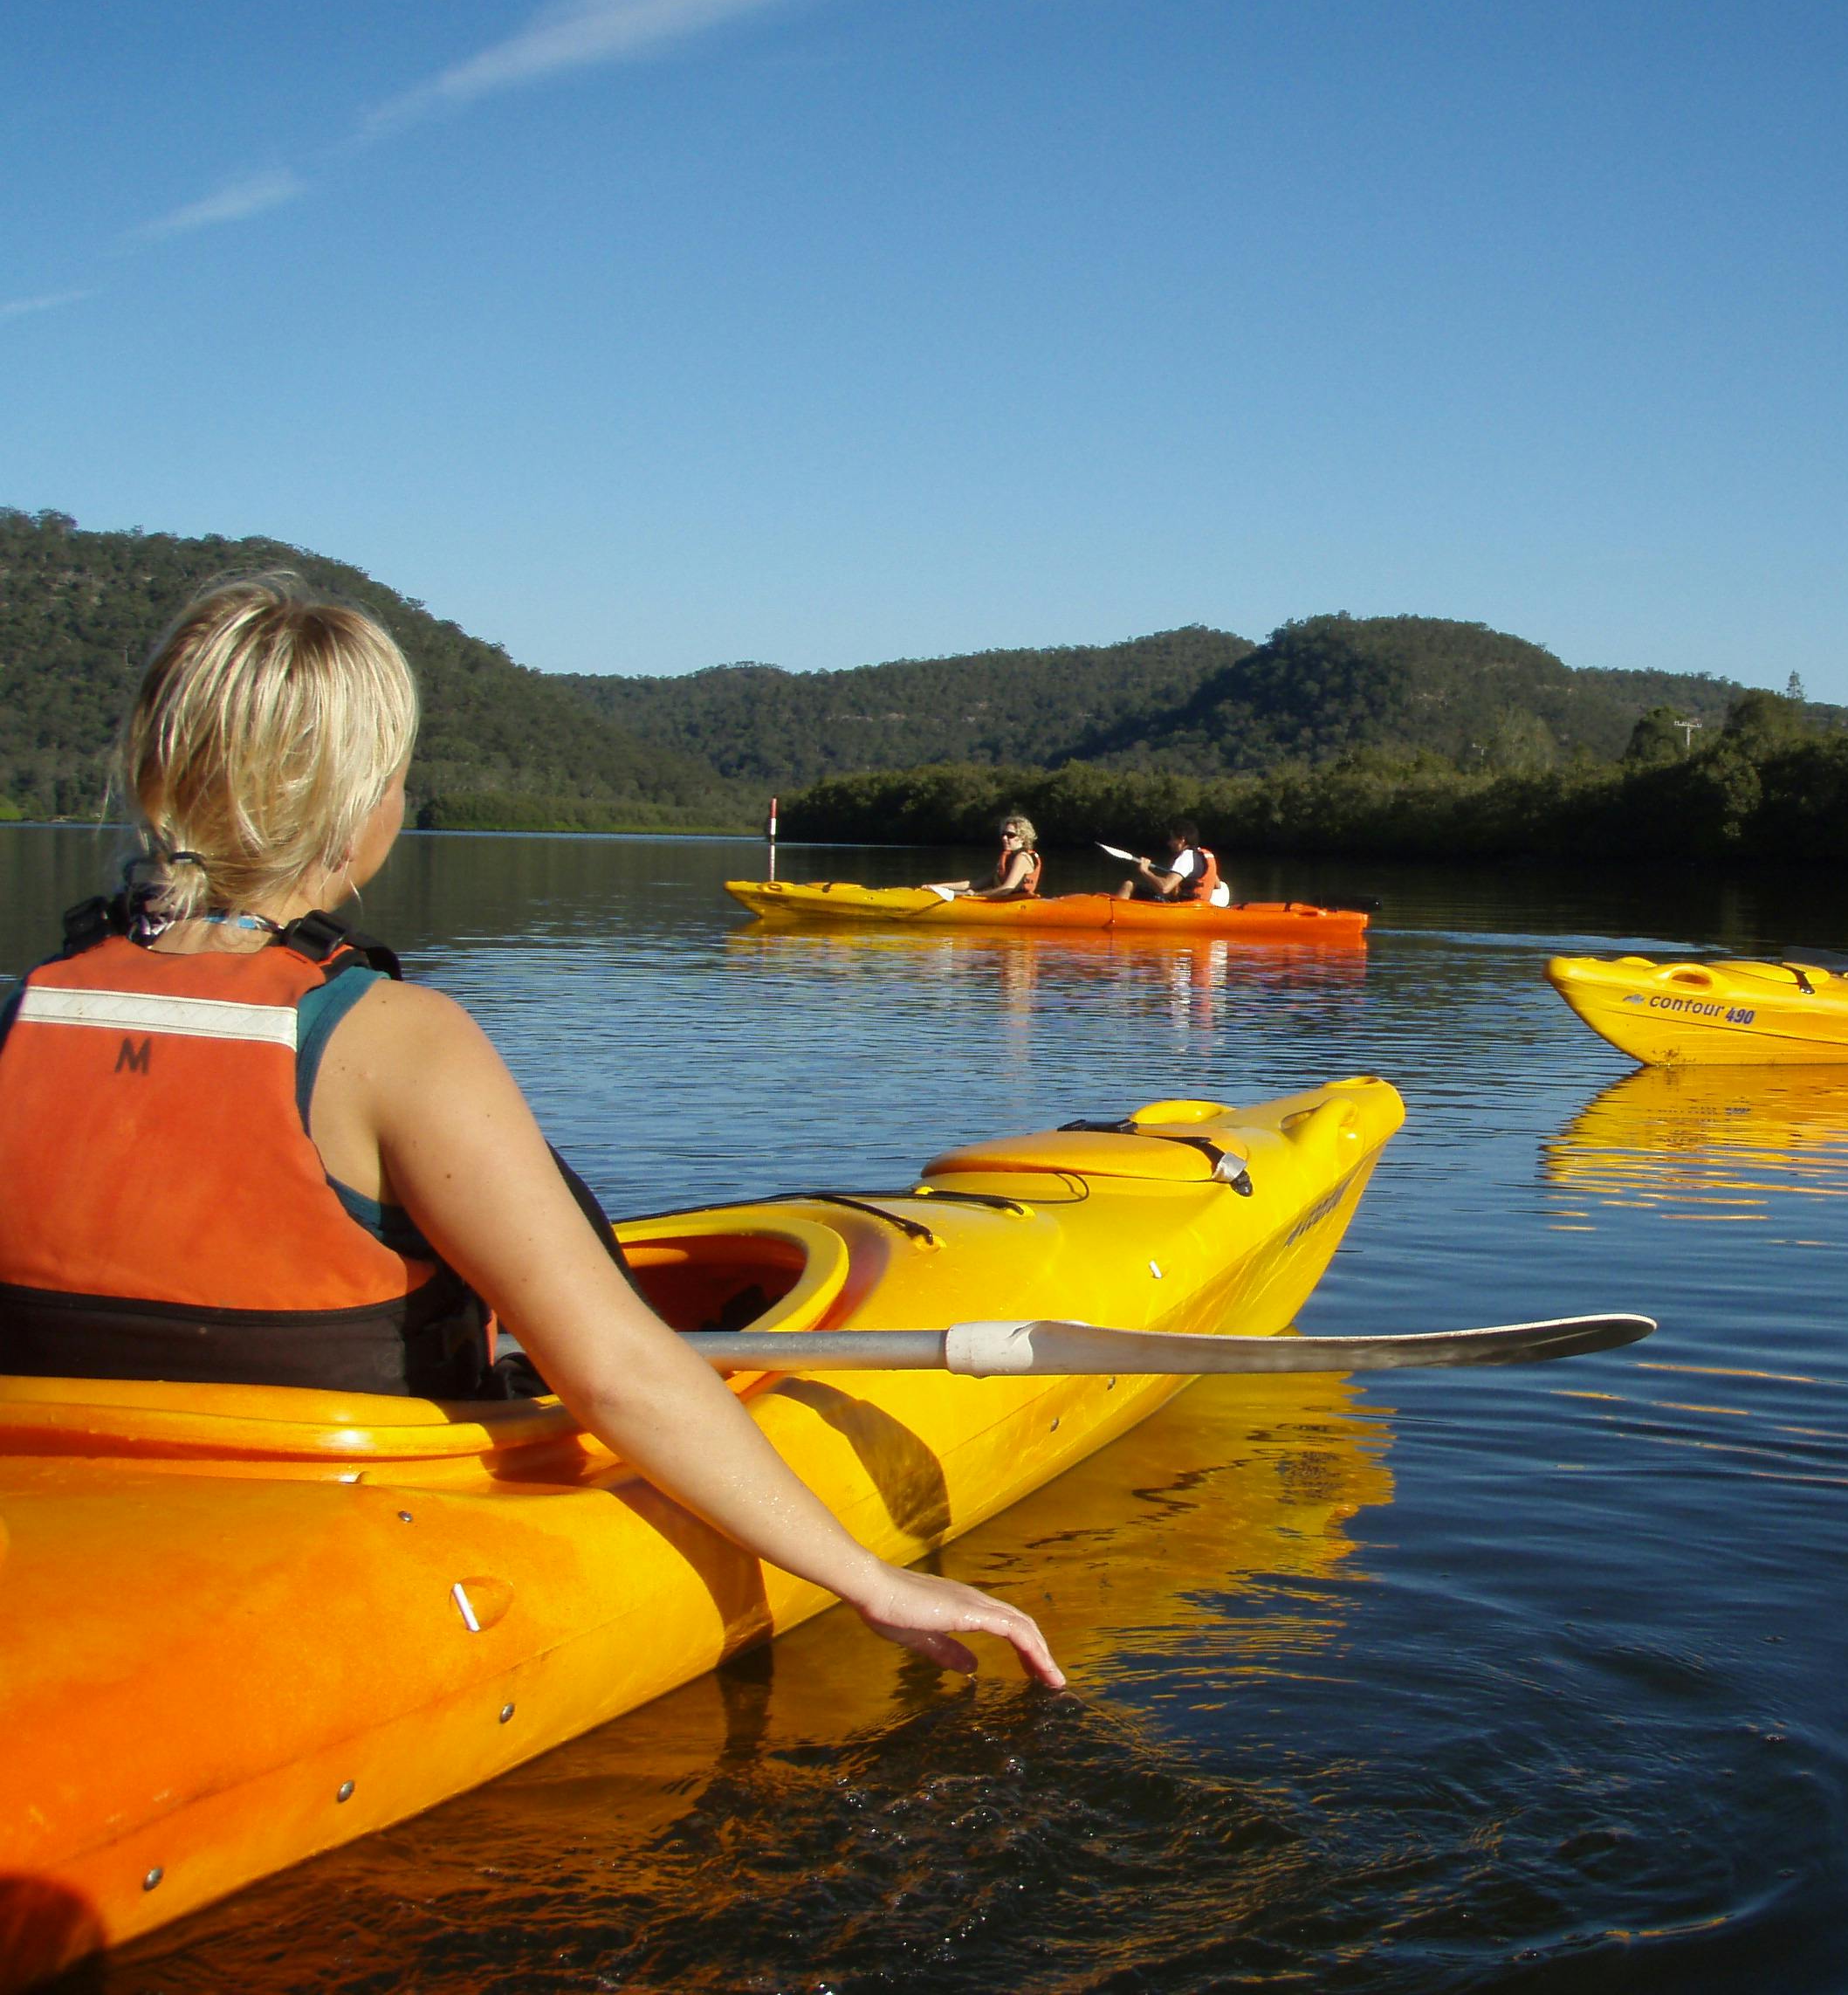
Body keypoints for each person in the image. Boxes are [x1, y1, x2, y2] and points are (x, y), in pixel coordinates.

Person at [0, 574, 1061, 1689]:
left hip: (62, 1539)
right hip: (347, 1567)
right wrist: (870, 1576)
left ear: (155, 773)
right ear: (362, 805)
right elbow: (615, 1374)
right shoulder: (393, 1043)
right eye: (400, 776)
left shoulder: (22, 1013)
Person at [1116, 819, 1227, 905]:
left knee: (1129, 886)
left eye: (1172, 838)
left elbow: (1165, 888)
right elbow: (1217, 885)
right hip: (1198, 907)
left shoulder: (1186, 857)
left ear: (1182, 840)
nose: (1169, 843)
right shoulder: (1204, 855)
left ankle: (1117, 915)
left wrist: (1145, 871)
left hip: (1184, 910)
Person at [936, 813, 1041, 899]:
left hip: (1018, 905)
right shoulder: (1007, 859)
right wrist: (938, 887)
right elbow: (974, 884)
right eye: (1003, 834)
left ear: (1023, 838)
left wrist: (976, 895)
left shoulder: (1022, 858)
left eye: (1010, 835)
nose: (1004, 838)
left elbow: (1007, 889)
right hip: (1006, 902)